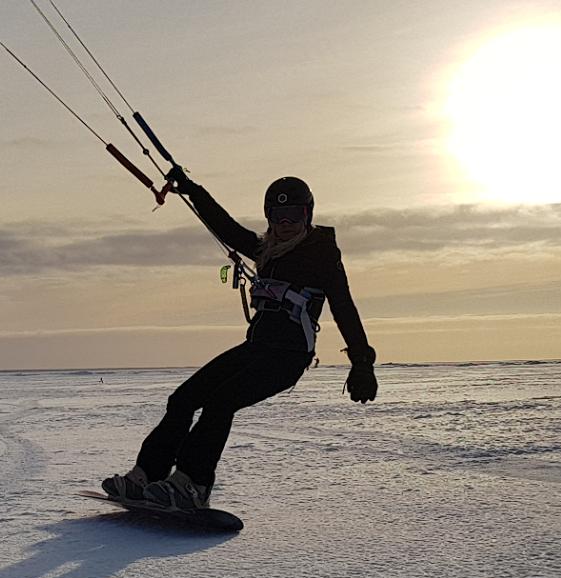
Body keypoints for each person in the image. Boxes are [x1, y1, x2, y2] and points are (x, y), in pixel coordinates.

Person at [103, 169, 376, 510]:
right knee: (183, 399)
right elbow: (227, 228)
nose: (287, 222)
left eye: (296, 214)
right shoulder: (266, 251)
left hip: (287, 358)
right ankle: (146, 476)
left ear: (309, 215)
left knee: (220, 403)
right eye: (279, 215)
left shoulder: (321, 255)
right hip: (255, 349)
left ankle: (192, 484)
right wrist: (191, 190)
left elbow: (344, 307)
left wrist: (362, 364)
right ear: (269, 217)